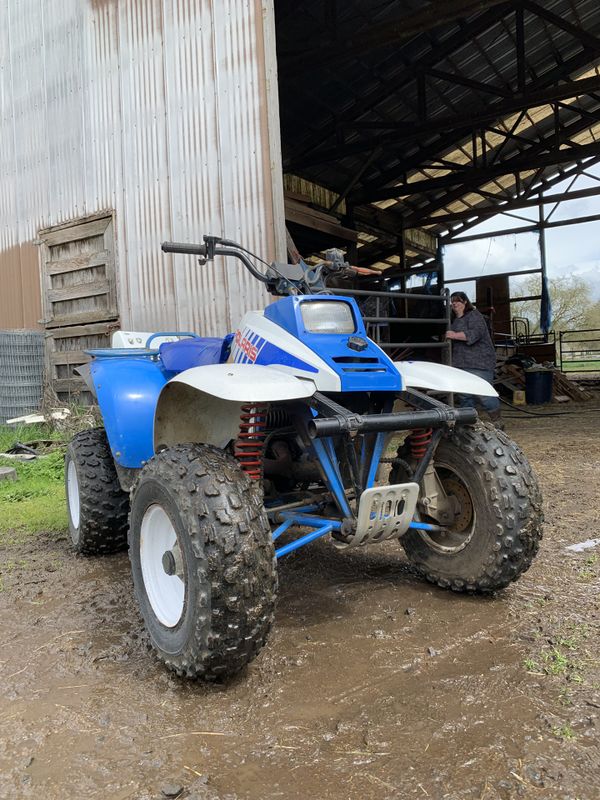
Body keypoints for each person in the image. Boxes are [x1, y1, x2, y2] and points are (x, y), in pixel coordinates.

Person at [445, 291, 502, 425]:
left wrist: (453, 335)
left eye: (457, 301)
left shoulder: (474, 316)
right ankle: (468, 424)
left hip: (479, 361)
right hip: (461, 362)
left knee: (484, 394)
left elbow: (474, 335)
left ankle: (498, 421)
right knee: (464, 395)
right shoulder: (455, 320)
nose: (454, 304)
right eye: (452, 301)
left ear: (465, 302)